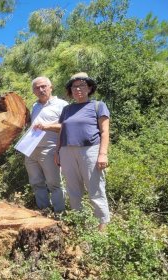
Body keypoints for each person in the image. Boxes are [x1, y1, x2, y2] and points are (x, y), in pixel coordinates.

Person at [55, 72, 110, 231]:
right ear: (70, 90)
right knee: (73, 190)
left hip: (90, 151)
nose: (78, 89)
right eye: (74, 86)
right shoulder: (67, 109)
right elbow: (61, 132)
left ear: (89, 88)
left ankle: (102, 228)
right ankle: (79, 224)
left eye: (82, 85)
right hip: (66, 152)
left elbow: (105, 132)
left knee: (95, 189)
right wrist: (57, 152)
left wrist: (102, 154)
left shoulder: (98, 105)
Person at [24, 77, 68, 218]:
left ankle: (59, 214)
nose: (41, 90)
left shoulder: (62, 105)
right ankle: (44, 212)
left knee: (54, 184)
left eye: (43, 86)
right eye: (37, 88)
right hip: (30, 149)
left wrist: (47, 126)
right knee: (36, 183)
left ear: (51, 87)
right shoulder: (34, 106)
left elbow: (67, 125)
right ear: (33, 91)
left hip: (50, 149)